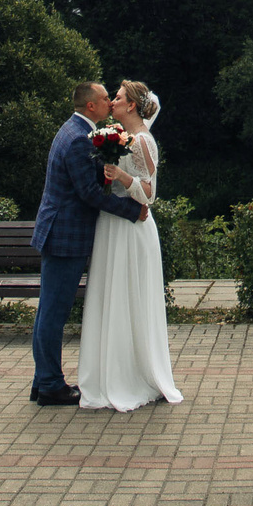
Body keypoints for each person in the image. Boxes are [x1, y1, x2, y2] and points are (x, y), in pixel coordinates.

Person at [29, 80, 145, 406]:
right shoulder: (79, 138)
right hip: (66, 236)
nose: (110, 102)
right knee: (54, 313)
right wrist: (132, 209)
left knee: (48, 311)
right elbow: (90, 194)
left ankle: (43, 380)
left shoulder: (72, 131)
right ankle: (50, 384)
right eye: (106, 98)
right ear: (91, 106)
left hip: (59, 232)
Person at [76, 80, 181, 411]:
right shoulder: (119, 138)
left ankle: (133, 375)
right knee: (109, 296)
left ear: (131, 106)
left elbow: (150, 194)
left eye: (117, 98)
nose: (112, 102)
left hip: (133, 228)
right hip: (111, 226)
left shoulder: (143, 143)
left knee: (130, 299)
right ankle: (107, 374)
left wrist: (121, 178)